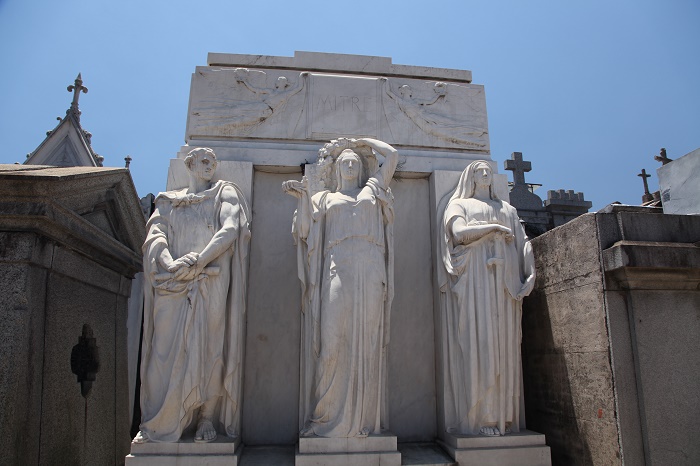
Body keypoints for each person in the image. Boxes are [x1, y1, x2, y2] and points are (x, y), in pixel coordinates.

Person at [282, 137, 398, 438]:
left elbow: (393, 156)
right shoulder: (325, 199)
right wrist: (304, 197)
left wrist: (362, 142)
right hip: (337, 265)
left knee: (367, 341)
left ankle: (363, 421)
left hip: (371, 266)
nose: (349, 165)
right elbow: (306, 231)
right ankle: (324, 419)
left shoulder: (372, 190)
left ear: (360, 169)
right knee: (331, 341)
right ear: (336, 170)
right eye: (344, 162)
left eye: (354, 162)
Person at [134, 147, 251, 443]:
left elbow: (230, 228)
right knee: (163, 351)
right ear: (189, 164)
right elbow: (155, 236)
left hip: (209, 281)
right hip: (172, 283)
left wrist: (199, 260)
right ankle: (162, 419)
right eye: (203, 160)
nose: (210, 164)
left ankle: (205, 417)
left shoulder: (225, 192)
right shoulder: (168, 201)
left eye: (213, 160)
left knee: (211, 346)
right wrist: (170, 263)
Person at [439, 160, 535, 436]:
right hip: (474, 285)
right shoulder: (460, 206)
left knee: (503, 348)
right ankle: (481, 416)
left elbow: (523, 243)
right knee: (479, 345)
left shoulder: (507, 209)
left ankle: (502, 416)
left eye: (488, 171)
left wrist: (530, 274)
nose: (485, 174)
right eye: (479, 171)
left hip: (503, 287)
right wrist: (492, 230)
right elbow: (457, 235)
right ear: (469, 176)